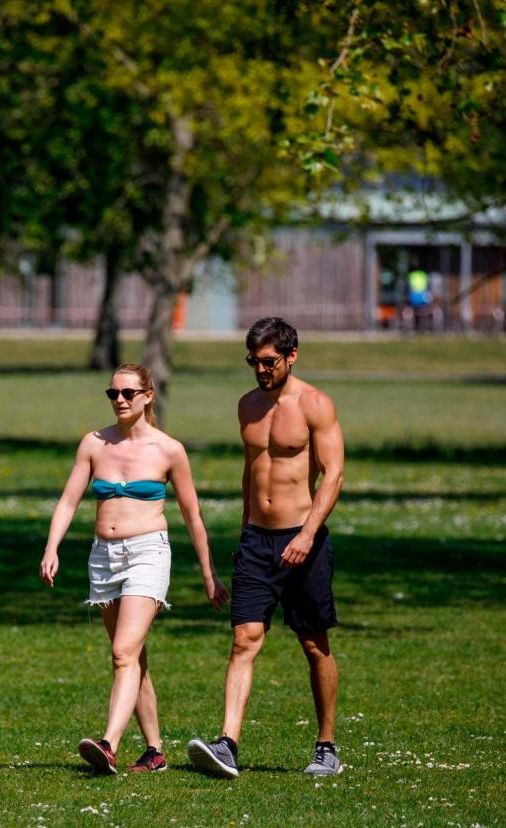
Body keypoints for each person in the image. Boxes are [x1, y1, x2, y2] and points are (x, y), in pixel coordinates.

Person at [40, 363, 228, 775]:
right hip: (103, 557)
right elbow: (69, 500)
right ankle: (155, 751)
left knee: (122, 652)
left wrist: (208, 573)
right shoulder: (93, 444)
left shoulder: (169, 450)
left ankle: (108, 744)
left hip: (148, 553)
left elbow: (193, 515)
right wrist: (52, 547)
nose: (120, 401)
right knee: (133, 656)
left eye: (127, 393)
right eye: (113, 394)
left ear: (147, 396)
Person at [187, 316, 346, 779]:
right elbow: (251, 471)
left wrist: (307, 533)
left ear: (291, 356)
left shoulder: (316, 404)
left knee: (314, 645)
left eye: (269, 361)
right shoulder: (247, 406)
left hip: (304, 539)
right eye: (253, 362)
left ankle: (326, 746)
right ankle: (228, 744)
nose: (260, 370)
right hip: (257, 541)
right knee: (243, 640)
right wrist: (244, 528)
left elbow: (333, 475)